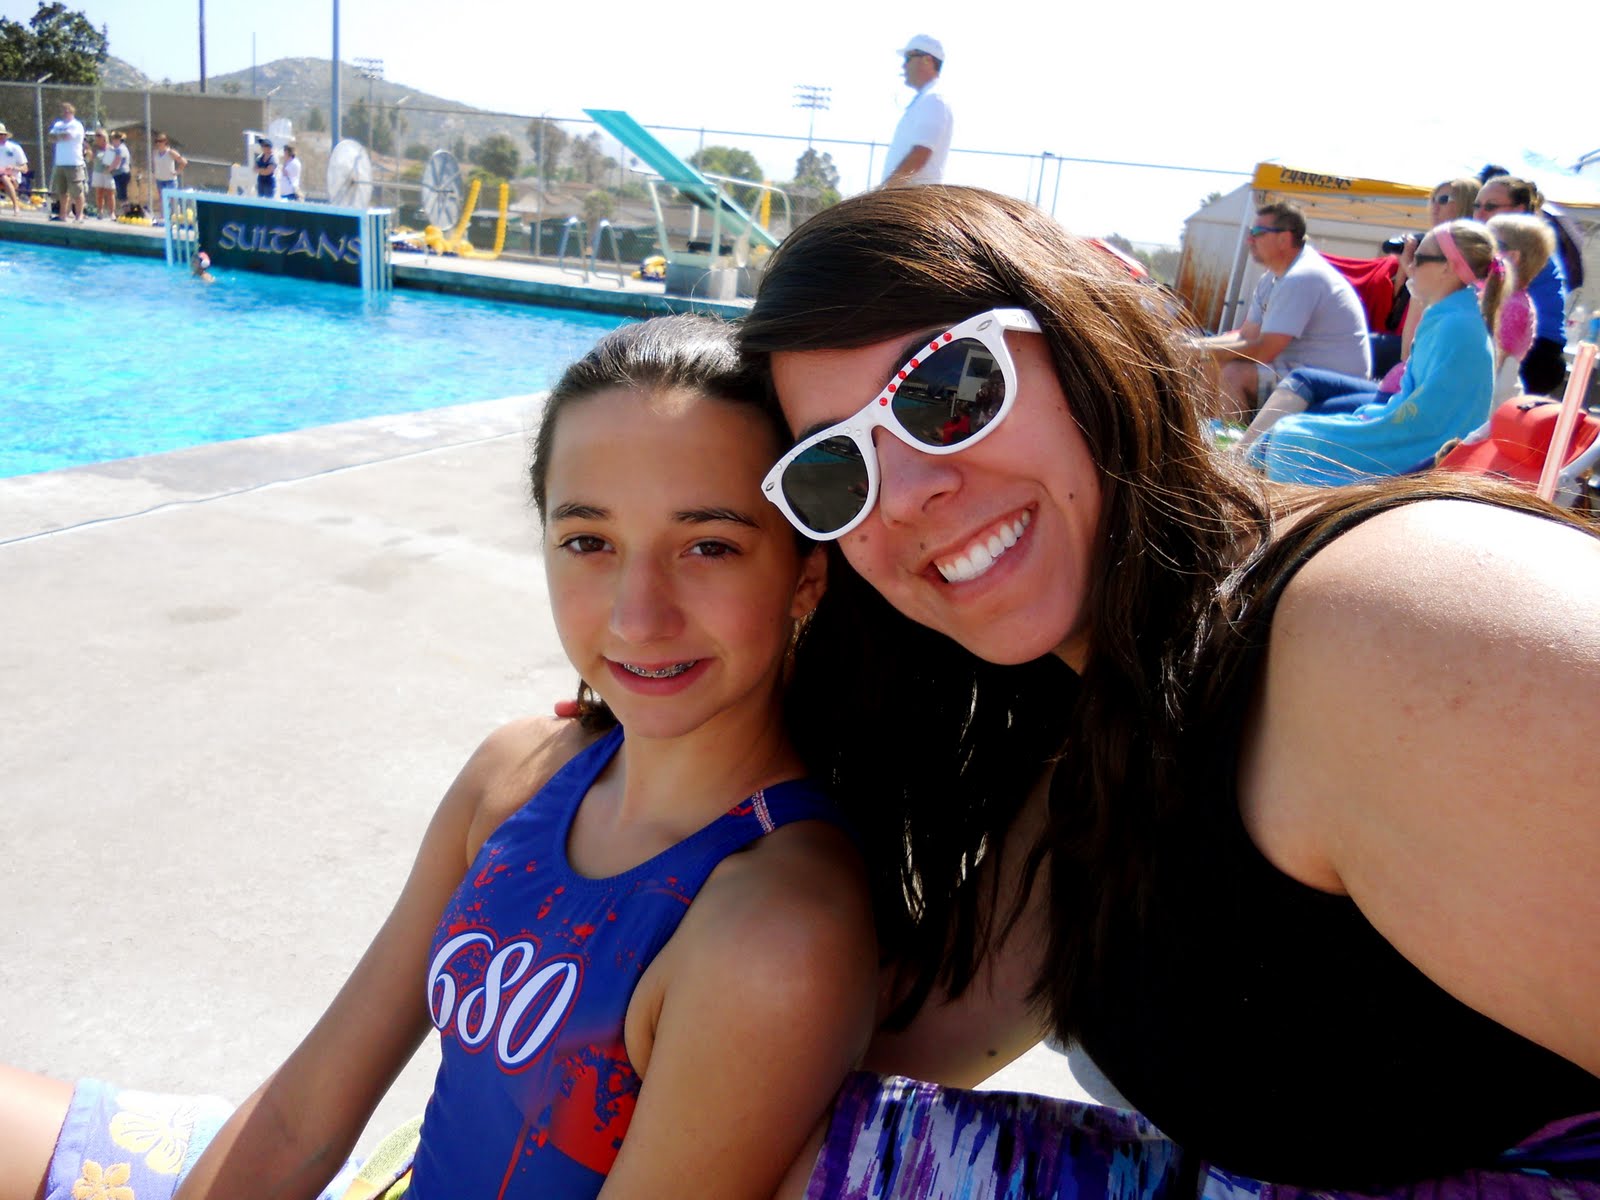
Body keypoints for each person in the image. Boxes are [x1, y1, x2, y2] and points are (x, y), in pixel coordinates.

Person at [741, 185, 1600, 1195]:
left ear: (1085, 343)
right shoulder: (1118, 714)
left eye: (948, 388)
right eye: (833, 471)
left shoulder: (1390, 630)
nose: (906, 492)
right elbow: (921, 1030)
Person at [0, 315, 877, 1200]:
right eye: (588, 541)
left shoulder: (770, 928)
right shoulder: (521, 774)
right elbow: (303, 1119)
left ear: (806, 575)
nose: (636, 617)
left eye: (709, 546)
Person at [1237, 219, 1502, 482]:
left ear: (1448, 267)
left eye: (1418, 259)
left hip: (1418, 450)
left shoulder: (1454, 324)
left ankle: (1240, 475)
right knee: (1290, 431)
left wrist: (1370, 421)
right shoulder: (1454, 316)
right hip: (1414, 435)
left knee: (1290, 439)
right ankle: (1241, 469)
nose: (1410, 266)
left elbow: (1424, 422)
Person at [1194, 201, 1370, 423]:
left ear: (1284, 239)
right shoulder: (1271, 279)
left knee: (1234, 374)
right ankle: (1205, 434)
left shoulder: (1302, 277)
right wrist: (1196, 345)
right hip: (1302, 372)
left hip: (1332, 382)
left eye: (1258, 232)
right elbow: (1246, 336)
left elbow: (1263, 350)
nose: (1250, 240)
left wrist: (1199, 350)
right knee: (1212, 363)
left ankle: (1229, 442)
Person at [1474, 174, 1567, 395]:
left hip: (1537, 354)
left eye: (1490, 206)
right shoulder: (1513, 247)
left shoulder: (1519, 252)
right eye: (1476, 206)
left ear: (1519, 210)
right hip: (1524, 350)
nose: (1479, 214)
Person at [1485, 212, 1557, 401]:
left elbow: (1492, 362)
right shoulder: (1502, 298)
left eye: (1488, 244)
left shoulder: (1513, 306)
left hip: (1489, 398)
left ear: (1512, 256)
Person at [880, 34, 953, 188]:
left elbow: (921, 153)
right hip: (909, 195)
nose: (904, 66)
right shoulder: (926, 99)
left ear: (927, 60)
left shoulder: (933, 99)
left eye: (908, 58)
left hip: (913, 196)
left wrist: (886, 190)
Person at [47, 100, 86, 222]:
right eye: (63, 111)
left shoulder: (76, 125)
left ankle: (79, 215)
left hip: (74, 163)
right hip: (60, 163)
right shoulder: (58, 124)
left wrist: (58, 136)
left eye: (67, 111)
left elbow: (69, 136)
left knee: (77, 191)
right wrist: (60, 136)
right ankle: (62, 215)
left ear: (72, 112)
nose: (65, 113)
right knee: (62, 192)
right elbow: (50, 137)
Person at [151, 132, 187, 225]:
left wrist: (178, 171)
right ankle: (164, 218)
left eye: (160, 141)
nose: (158, 143)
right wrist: (154, 173)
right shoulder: (155, 153)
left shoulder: (170, 152)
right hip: (160, 179)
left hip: (170, 180)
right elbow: (155, 165)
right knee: (162, 199)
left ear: (165, 142)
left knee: (172, 199)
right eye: (157, 141)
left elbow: (183, 162)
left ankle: (176, 218)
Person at [89, 129, 117, 220]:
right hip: (97, 172)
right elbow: (91, 159)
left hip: (108, 173)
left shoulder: (110, 148)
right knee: (99, 193)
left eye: (99, 136)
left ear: (104, 137)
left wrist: (107, 169)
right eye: (96, 136)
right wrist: (89, 151)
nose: (97, 138)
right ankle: (100, 212)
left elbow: (109, 163)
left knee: (110, 193)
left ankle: (112, 213)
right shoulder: (95, 149)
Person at [0, 122, 27, 214]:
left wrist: (14, 168)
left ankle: (16, 206)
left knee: (4, 177)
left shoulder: (14, 148)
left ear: (5, 135)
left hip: (12, 178)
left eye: (1, 134)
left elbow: (25, 168)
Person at [110, 131, 132, 215]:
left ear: (118, 139)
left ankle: (127, 212)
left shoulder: (120, 149)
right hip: (120, 173)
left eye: (114, 139)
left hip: (121, 174)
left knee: (122, 194)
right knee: (121, 194)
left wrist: (108, 170)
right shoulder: (119, 148)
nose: (112, 141)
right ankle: (125, 211)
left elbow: (117, 162)